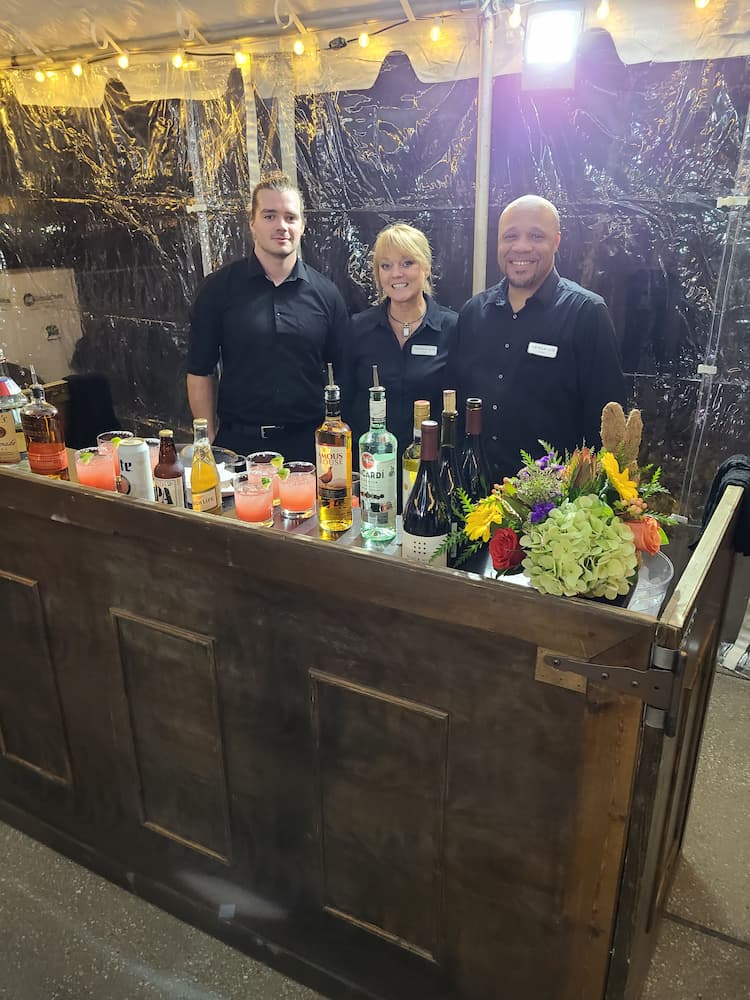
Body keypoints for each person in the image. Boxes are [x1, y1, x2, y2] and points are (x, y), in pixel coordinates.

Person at [456, 194, 626, 482]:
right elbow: (455, 405)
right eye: (510, 236)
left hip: (550, 512)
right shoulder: (473, 314)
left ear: (556, 241)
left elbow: (606, 428)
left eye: (536, 236)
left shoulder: (586, 314)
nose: (521, 246)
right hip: (474, 501)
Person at [186, 173, 349, 463]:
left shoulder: (327, 294)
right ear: (252, 222)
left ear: (302, 225)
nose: (281, 226)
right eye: (270, 216)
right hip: (237, 448)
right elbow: (200, 369)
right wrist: (207, 438)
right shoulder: (218, 289)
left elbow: (344, 373)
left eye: (290, 217)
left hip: (308, 448)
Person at [342, 223, 458, 489]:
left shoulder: (453, 329)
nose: (396, 274)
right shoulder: (358, 329)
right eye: (386, 266)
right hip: (371, 472)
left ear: (426, 267)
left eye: (407, 263)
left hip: (431, 474)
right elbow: (346, 405)